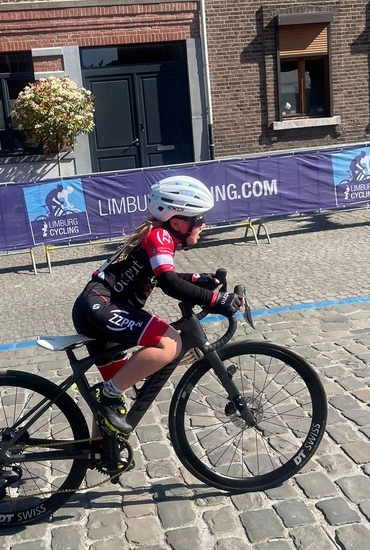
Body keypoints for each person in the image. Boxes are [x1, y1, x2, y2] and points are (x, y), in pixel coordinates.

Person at [72, 175, 243, 436]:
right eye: (199, 219)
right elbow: (169, 283)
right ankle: (106, 396)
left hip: (97, 308)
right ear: (177, 222)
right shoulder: (160, 236)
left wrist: (197, 279)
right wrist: (216, 300)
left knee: (114, 399)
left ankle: (98, 451)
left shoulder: (158, 234)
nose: (204, 225)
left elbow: (160, 275)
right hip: (101, 307)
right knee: (169, 343)